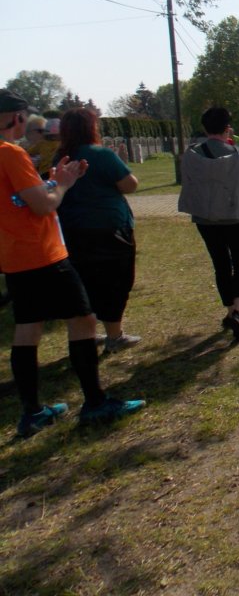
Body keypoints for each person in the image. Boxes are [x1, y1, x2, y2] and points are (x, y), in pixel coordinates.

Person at [0, 90, 145, 437]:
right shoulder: (11, 153)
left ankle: (33, 412)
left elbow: (20, 198)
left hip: (14, 255)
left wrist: (52, 180)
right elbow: (42, 205)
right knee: (83, 320)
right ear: (16, 117)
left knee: (28, 329)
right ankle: (95, 402)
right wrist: (62, 185)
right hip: (43, 253)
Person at [55, 108, 142, 353]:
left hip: (73, 230)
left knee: (85, 283)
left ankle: (87, 333)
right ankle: (115, 336)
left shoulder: (60, 157)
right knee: (116, 282)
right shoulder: (101, 154)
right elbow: (130, 184)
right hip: (109, 229)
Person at [178, 107, 239, 342]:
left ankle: (230, 311)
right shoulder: (238, 154)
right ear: (227, 128)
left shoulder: (191, 155)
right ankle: (238, 311)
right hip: (236, 216)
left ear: (204, 128)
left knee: (220, 264)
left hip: (205, 218)